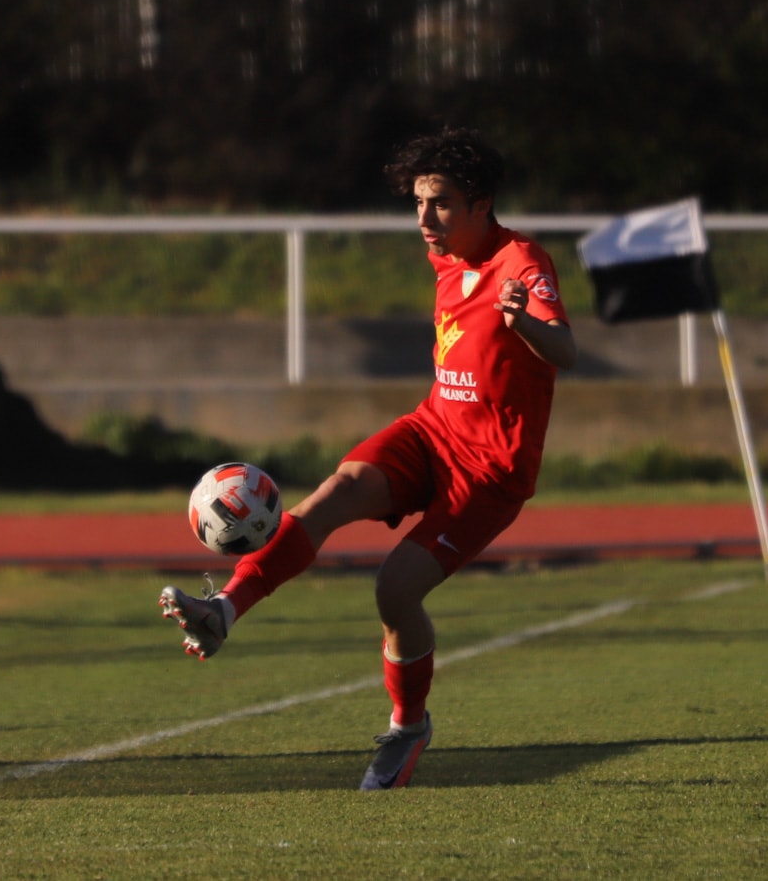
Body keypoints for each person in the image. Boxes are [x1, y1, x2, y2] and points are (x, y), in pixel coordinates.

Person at [160, 126, 576, 790]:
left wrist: (522, 321)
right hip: (431, 429)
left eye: (439, 202)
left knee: (395, 587)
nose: (424, 219)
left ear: (481, 202)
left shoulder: (522, 263)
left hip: (489, 472)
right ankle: (224, 609)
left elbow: (565, 348)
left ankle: (408, 724)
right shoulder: (446, 256)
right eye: (416, 202)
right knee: (336, 490)